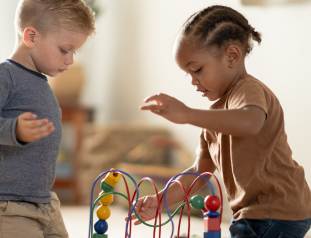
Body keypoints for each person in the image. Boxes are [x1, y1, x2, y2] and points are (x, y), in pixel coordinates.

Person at [129, 5, 311, 238]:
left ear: (232, 56)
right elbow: (198, 172)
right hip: (255, 213)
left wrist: (186, 114)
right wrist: (159, 200)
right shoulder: (215, 117)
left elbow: (249, 122)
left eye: (197, 70)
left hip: (276, 209)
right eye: (188, 74)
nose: (193, 81)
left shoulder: (247, 89)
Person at [0, 0, 95, 237]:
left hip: (43, 202)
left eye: (73, 52)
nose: (70, 60)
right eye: (64, 49)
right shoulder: (3, 74)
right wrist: (13, 129)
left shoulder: (40, 80)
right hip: (6, 205)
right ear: (31, 37)